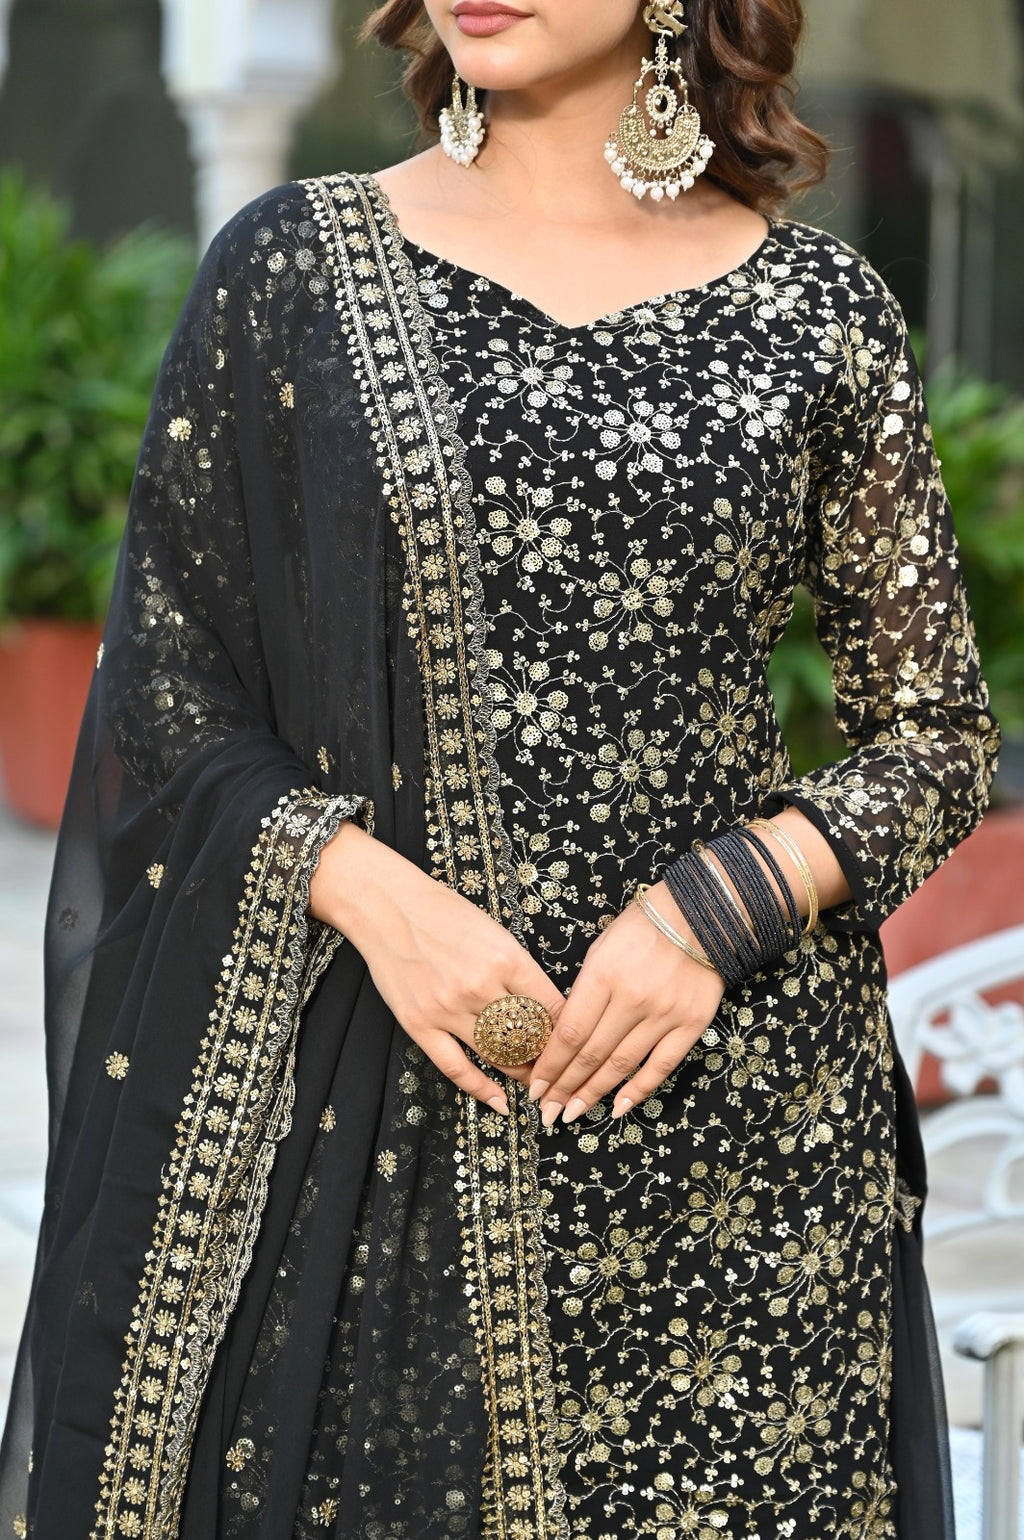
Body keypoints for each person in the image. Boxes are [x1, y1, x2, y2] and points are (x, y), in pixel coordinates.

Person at [0, 0, 1000, 1535]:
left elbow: (935, 739)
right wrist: (385, 902)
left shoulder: (820, 306)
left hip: (733, 1147)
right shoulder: (293, 270)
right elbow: (172, 688)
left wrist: (705, 914)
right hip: (379, 1111)